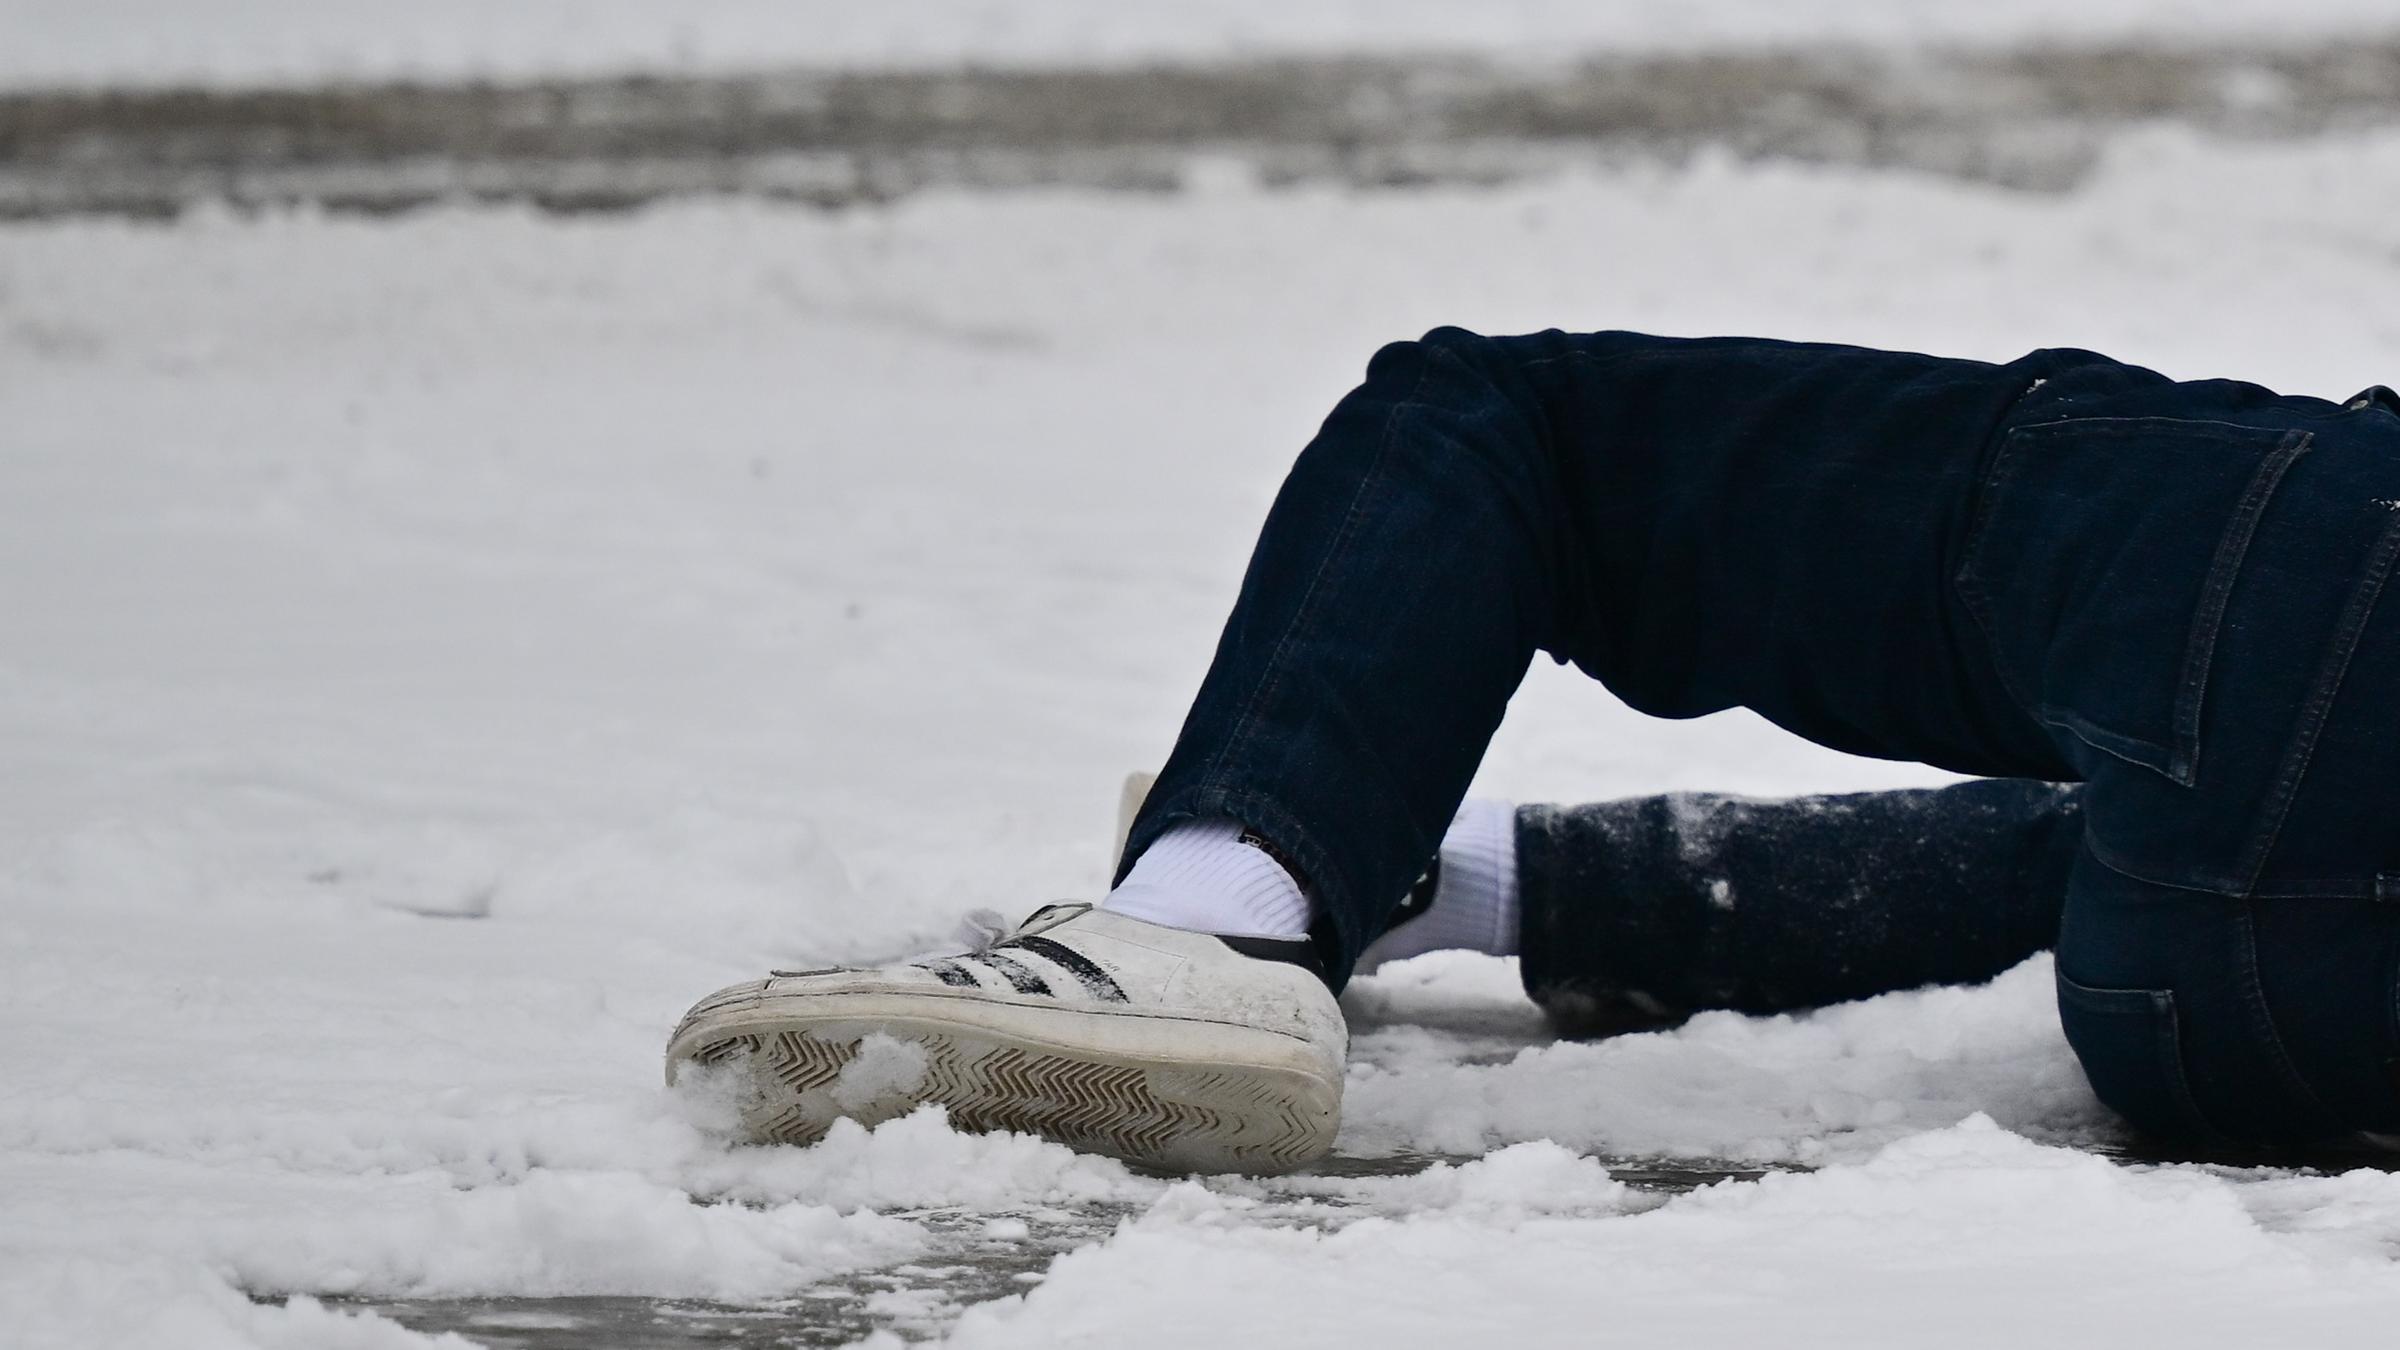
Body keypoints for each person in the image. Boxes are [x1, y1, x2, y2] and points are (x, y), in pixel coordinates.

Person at [668, 329, 2400, 1173]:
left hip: (2321, 616)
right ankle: (1453, 871)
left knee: (1519, 430)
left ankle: (1214, 923)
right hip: (2272, 1033)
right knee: (2125, 837)